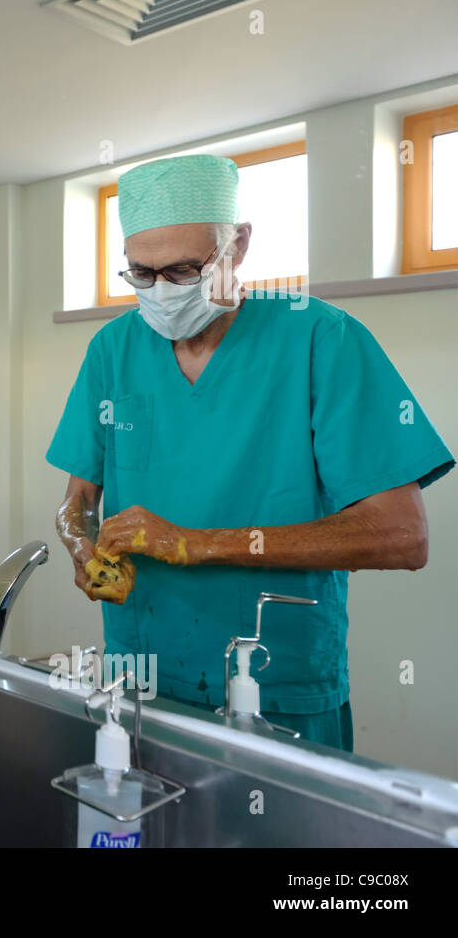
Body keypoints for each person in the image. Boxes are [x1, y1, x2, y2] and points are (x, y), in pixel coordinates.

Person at [46, 153, 453, 751]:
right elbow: (77, 500)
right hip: (139, 675)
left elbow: (401, 536)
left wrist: (201, 544)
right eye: (142, 274)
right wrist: (80, 545)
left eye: (184, 270)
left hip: (272, 678)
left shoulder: (319, 338)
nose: (162, 293)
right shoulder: (113, 350)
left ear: (237, 246)